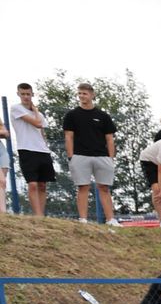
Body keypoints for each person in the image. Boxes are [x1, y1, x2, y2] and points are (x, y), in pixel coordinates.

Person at [61, 82, 118, 225]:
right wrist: (71, 157)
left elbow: (110, 138)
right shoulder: (71, 115)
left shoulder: (103, 116)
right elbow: (68, 136)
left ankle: (111, 219)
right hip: (80, 156)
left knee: (104, 188)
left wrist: (111, 158)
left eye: (84, 93)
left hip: (102, 156)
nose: (81, 96)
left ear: (92, 95)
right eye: (79, 93)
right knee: (83, 187)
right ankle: (83, 219)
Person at [9, 82, 52, 216]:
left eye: (28, 94)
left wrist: (45, 146)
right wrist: (36, 111)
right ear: (18, 94)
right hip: (26, 149)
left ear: (32, 94)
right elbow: (37, 123)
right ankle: (38, 215)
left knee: (42, 185)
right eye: (23, 94)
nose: (26, 97)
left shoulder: (39, 114)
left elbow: (42, 131)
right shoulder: (16, 108)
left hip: (42, 151)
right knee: (32, 184)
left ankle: (42, 215)